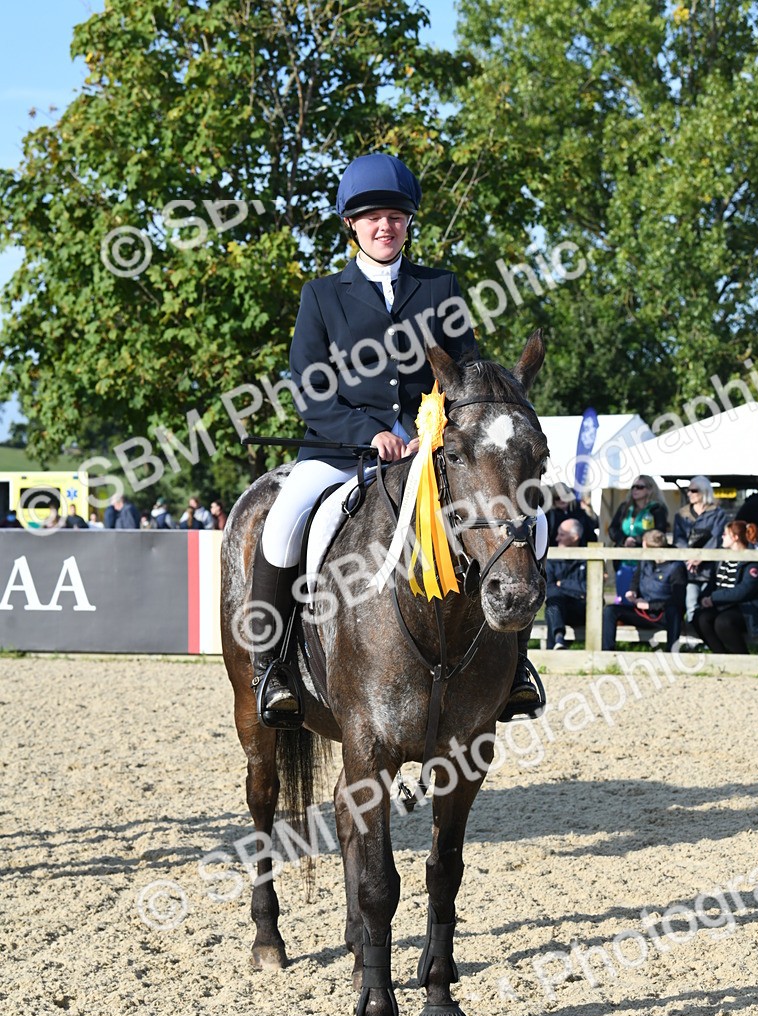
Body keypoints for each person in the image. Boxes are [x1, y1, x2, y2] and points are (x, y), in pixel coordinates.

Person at [249, 152, 543, 728]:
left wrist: (428, 432)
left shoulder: (440, 287)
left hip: (429, 453)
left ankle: (515, 666)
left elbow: (467, 377)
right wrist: (372, 433)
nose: (385, 226)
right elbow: (311, 390)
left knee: (524, 519)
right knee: (283, 522)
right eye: (372, 217)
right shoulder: (321, 296)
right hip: (339, 454)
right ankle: (273, 667)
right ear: (351, 225)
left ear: (409, 223)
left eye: (395, 216)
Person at [694, 520, 758, 654]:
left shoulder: (753, 561)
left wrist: (713, 598)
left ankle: (742, 658)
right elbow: (713, 583)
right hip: (724, 605)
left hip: (750, 608)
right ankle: (722, 657)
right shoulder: (722, 558)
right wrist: (704, 598)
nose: (722, 537)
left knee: (723, 622)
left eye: (725, 534)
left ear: (735, 537)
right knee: (700, 618)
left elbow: (744, 591)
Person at [601, 529, 686, 651]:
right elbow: (636, 578)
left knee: (674, 611)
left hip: (663, 615)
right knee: (610, 610)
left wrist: (649, 605)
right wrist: (632, 591)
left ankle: (672, 653)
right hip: (641, 612)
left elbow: (678, 600)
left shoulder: (676, 567)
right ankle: (607, 652)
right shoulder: (645, 560)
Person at [672, 475, 728, 624]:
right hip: (688, 567)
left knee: (708, 604)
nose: (689, 493)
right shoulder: (681, 514)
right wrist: (690, 558)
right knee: (690, 604)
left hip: (711, 568)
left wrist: (701, 557)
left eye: (694, 490)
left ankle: (704, 634)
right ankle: (692, 634)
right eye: (688, 490)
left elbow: (717, 537)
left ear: (705, 491)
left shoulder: (718, 513)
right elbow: (679, 539)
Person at [544, 518, 586, 648]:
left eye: (562, 535)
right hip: (559, 608)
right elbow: (549, 588)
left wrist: (562, 584)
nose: (557, 538)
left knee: (553, 604)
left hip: (582, 610)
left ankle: (556, 645)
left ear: (575, 537)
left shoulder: (588, 557)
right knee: (553, 603)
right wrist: (574, 588)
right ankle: (558, 639)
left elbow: (589, 589)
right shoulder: (551, 558)